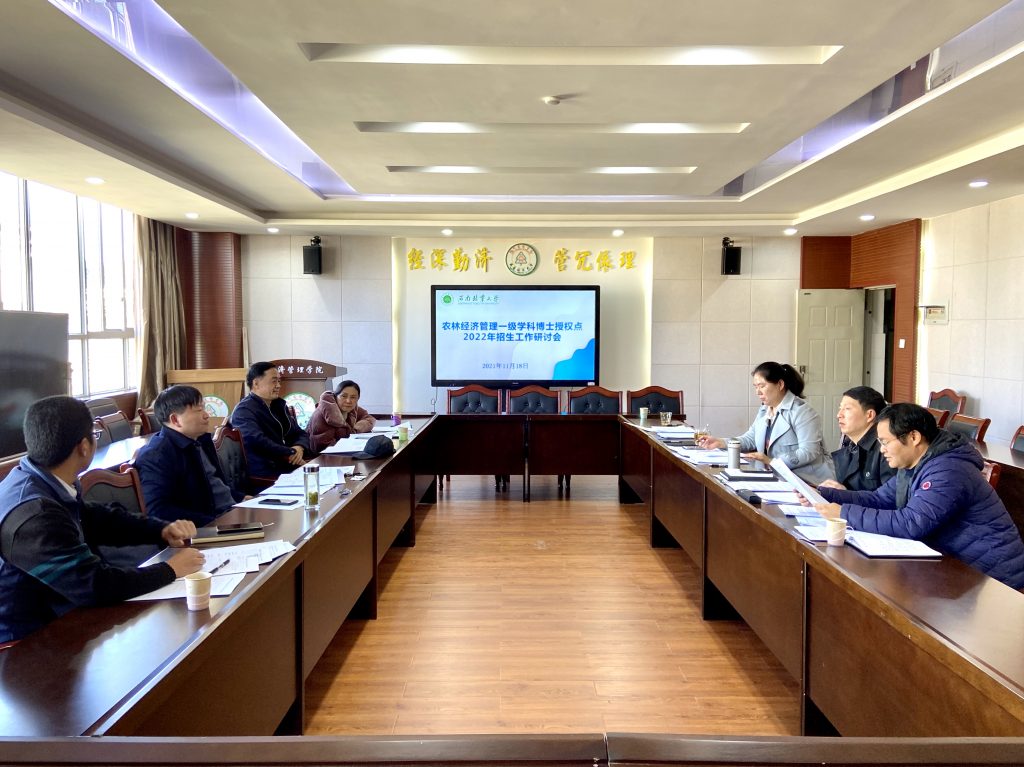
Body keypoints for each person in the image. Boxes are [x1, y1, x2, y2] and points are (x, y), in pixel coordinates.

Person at [0, 396, 204, 644]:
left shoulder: (38, 477)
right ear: (84, 447)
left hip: (62, 613)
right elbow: (94, 586)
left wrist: (160, 530)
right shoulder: (35, 516)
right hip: (25, 643)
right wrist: (170, 570)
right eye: (94, 435)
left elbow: (95, 519)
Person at [814, 403, 1024, 589]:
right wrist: (824, 494)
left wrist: (843, 513)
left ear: (913, 437)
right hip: (958, 567)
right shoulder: (915, 463)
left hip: (994, 578)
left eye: (885, 442)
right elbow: (879, 499)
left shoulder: (948, 469)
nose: (882, 450)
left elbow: (911, 523)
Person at [700, 361, 833, 485]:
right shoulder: (765, 410)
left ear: (780, 385)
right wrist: (721, 442)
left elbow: (809, 451)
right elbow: (750, 439)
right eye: (756, 387)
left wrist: (773, 462)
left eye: (762, 386)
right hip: (776, 478)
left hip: (807, 482)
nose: (758, 392)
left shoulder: (802, 412)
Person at [134, 385, 246, 525]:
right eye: (198, 410)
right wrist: (213, 523)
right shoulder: (156, 455)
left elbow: (212, 486)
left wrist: (242, 499)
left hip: (229, 513)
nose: (206, 415)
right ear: (175, 420)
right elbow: (158, 510)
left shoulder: (201, 440)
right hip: (204, 527)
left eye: (204, 408)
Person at [229, 362, 311, 479]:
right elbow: (258, 441)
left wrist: (299, 447)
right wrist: (290, 452)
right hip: (265, 473)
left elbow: (299, 433)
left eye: (279, 381)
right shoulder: (244, 410)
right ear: (256, 383)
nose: (278, 385)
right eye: (274, 381)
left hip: (287, 465)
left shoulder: (278, 406)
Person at [819, 386, 897, 492]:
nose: (839, 415)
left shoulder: (886, 449)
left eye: (847, 409)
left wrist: (845, 494)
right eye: (840, 408)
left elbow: (890, 498)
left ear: (869, 415)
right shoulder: (849, 444)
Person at [307, 380, 376, 453]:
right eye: (344, 396)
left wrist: (355, 429)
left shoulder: (352, 408)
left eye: (353, 397)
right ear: (335, 397)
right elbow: (322, 447)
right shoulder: (324, 412)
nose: (348, 401)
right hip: (318, 457)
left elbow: (370, 419)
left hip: (344, 453)